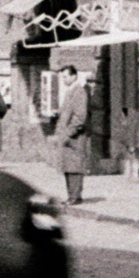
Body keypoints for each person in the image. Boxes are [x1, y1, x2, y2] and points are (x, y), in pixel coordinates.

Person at [57, 64, 89, 205]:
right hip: (68, 137)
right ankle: (71, 196)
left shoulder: (79, 92)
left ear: (73, 76)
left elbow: (80, 117)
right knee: (68, 167)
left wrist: (69, 133)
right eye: (62, 77)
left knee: (75, 167)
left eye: (65, 76)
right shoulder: (70, 91)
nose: (63, 79)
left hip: (75, 137)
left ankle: (75, 197)